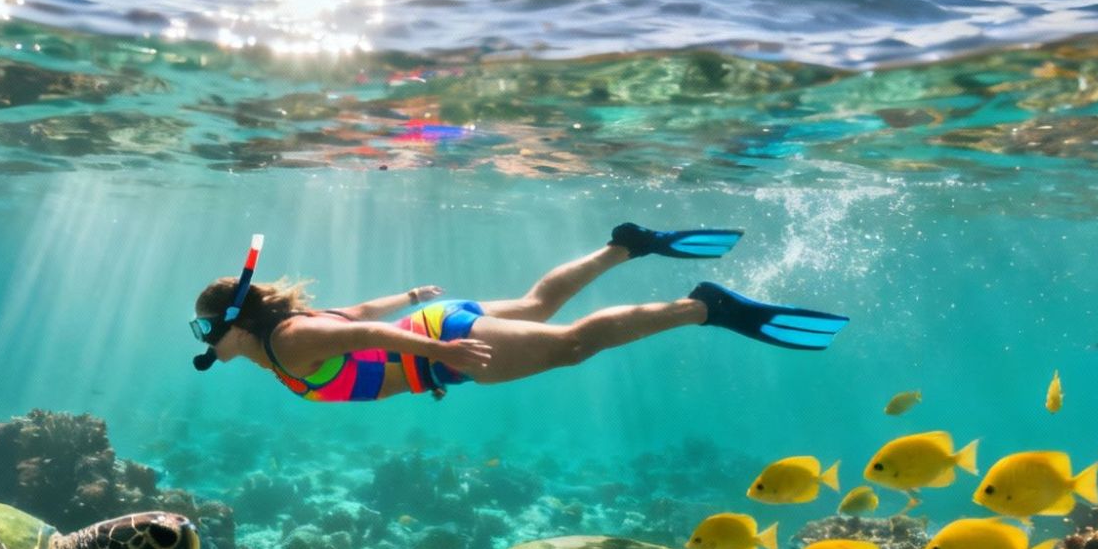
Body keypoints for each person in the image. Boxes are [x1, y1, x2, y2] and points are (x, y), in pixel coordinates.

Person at [189, 225, 846, 403]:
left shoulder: (290, 342)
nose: (204, 343)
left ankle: (704, 306)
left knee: (571, 344)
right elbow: (358, 311)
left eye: (203, 329)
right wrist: (414, 298)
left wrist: (439, 353)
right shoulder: (282, 338)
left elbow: (359, 331)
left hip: (437, 348)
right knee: (538, 304)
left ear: (230, 326)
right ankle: (626, 243)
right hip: (432, 327)